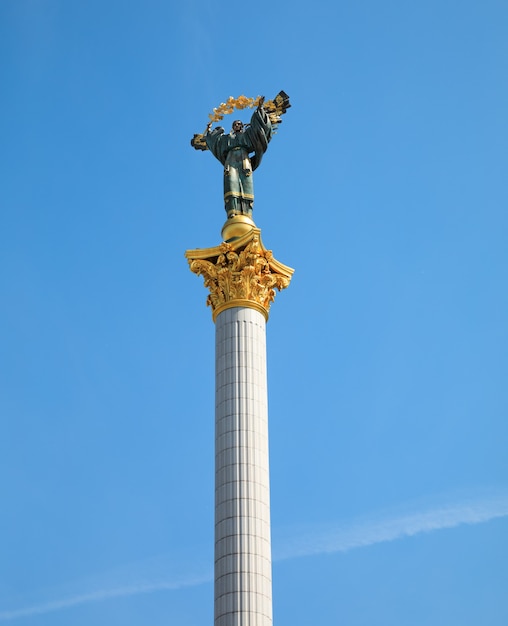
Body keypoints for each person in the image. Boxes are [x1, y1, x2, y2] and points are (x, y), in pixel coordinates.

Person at [205, 97, 272, 218]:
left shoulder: (248, 135)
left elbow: (259, 128)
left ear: (242, 126)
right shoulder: (227, 138)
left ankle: (247, 213)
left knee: (246, 183)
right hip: (230, 161)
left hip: (244, 159)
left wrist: (260, 109)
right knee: (231, 183)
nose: (237, 125)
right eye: (235, 124)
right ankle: (232, 211)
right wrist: (209, 132)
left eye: (239, 124)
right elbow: (215, 142)